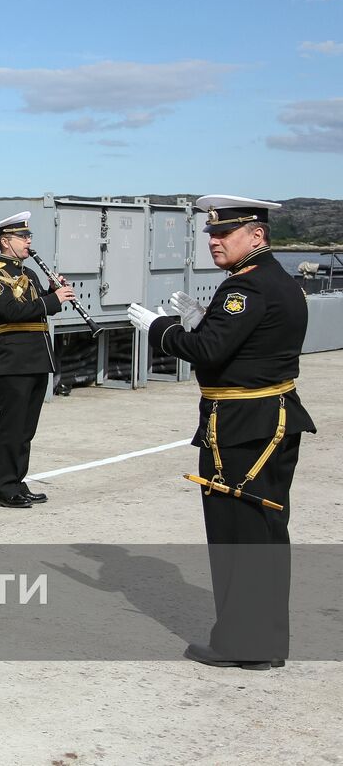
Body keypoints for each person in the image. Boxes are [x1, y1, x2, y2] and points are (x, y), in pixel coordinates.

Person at [130, 195, 313, 669]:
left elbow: (209, 352)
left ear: (256, 235)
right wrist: (202, 318)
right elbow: (247, 344)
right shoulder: (278, 282)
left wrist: (163, 328)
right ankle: (265, 640)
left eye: (224, 233)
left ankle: (243, 645)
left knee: (239, 535)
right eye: (210, 233)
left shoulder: (245, 289)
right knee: (264, 533)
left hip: (241, 426)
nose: (213, 241)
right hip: (269, 416)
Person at [0, 211, 76, 508]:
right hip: (16, 359)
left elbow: (36, 308)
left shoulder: (29, 272)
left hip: (36, 356)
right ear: (5, 241)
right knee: (12, 426)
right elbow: (12, 312)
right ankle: (4, 489)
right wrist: (52, 299)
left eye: (28, 236)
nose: (28, 241)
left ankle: (17, 481)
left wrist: (52, 291)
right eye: (23, 237)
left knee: (26, 429)